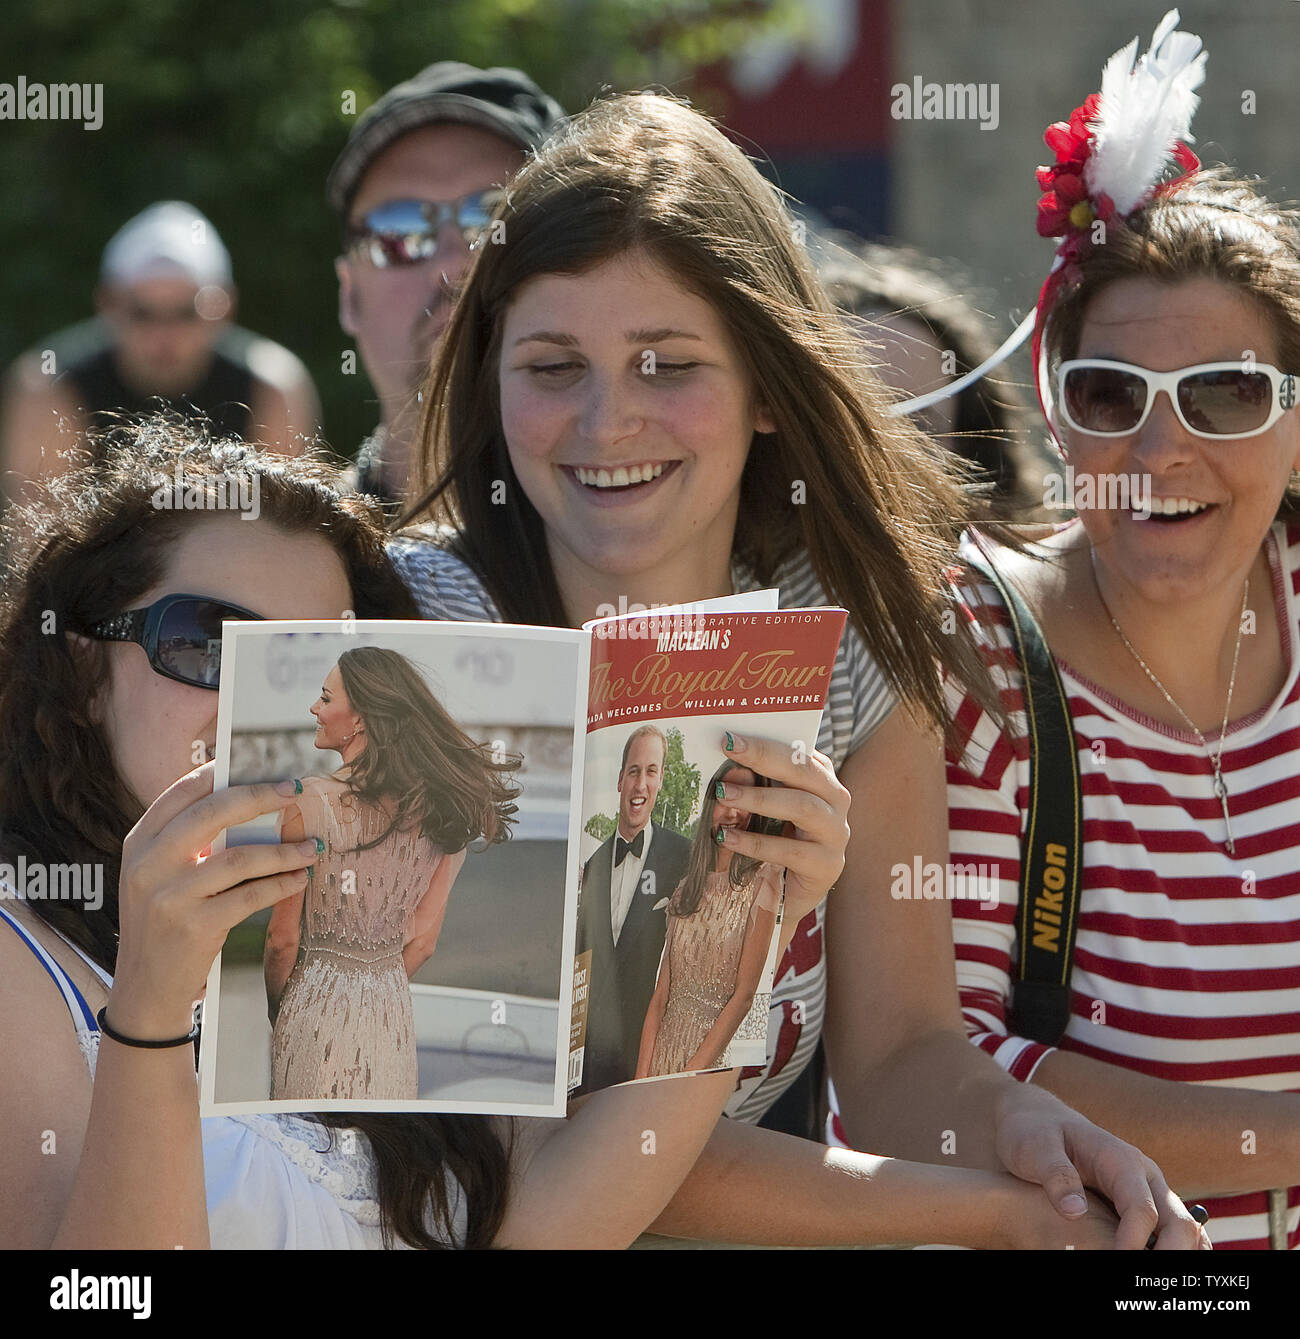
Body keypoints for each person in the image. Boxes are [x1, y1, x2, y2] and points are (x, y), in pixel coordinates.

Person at [0, 415, 1179, 1252]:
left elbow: (566, 1221)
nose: (262, 689)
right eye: (206, 639)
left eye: (312, 654)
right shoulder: (27, 967)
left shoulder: (390, 908)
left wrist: (742, 908)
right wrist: (151, 1017)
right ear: (82, 668)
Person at [388, 88, 1206, 1247]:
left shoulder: (856, 635)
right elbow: (526, 1159)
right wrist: (992, 1217)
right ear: (490, 377)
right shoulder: (423, 628)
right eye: (553, 366)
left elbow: (899, 1057)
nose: (607, 421)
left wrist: (1027, 1135)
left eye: (668, 364)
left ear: (770, 386)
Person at [943, 35, 1300, 1249]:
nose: (1161, 451)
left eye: (1227, 393)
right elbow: (950, 1056)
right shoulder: (979, 653)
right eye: (1111, 396)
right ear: (1056, 411)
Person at [265, 647, 518, 1100]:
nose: (314, 708)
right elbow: (423, 944)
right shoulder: (444, 813)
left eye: (325, 698)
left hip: (310, 1012)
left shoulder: (306, 804)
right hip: (390, 1020)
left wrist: (282, 1014)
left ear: (359, 717)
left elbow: (281, 942)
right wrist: (373, 993)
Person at [328, 62, 564, 510]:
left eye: (496, 218)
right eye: (398, 233)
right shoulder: (299, 568)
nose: (454, 263)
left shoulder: (672, 552)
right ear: (348, 294)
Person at [0, 202, 319, 502]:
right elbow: (39, 544)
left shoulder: (272, 387)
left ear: (225, 307)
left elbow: (288, 531)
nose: (164, 334)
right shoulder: (48, 388)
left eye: (187, 313)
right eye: (142, 313)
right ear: (107, 306)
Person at [816, 234, 1048, 515]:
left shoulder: (1001, 558)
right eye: (850, 420)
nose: (883, 451)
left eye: (917, 426)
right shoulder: (759, 553)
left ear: (965, 448)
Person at [636, 760, 783, 1078]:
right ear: (710, 804)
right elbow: (661, 996)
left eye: (743, 800)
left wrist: (688, 1075)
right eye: (724, 797)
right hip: (662, 1056)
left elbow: (744, 997)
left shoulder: (764, 880)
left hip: (707, 1067)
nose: (732, 813)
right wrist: (640, 1081)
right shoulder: (685, 888)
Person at [577, 724, 690, 1092]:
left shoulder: (684, 858)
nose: (641, 784)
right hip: (591, 1070)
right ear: (620, 781)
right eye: (634, 772)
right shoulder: (592, 865)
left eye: (651, 772)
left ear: (660, 782)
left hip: (651, 1066)